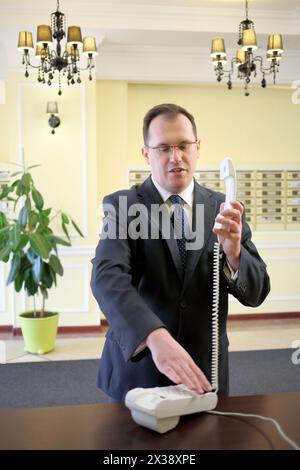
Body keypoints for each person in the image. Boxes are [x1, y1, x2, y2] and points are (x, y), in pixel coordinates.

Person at [91, 103, 270, 403]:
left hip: (205, 370)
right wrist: (154, 335)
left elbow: (257, 291)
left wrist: (234, 252)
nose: (176, 157)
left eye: (184, 145)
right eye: (163, 148)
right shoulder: (122, 205)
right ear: (146, 154)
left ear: (198, 147)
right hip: (140, 370)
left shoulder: (223, 207)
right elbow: (107, 277)